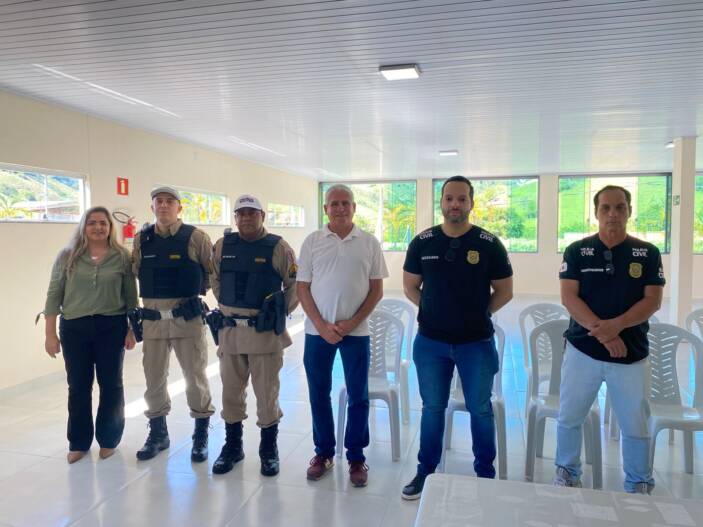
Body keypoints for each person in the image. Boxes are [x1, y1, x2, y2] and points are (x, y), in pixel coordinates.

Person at [400, 175, 513, 500]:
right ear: (441, 202)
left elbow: (505, 291)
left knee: (480, 408)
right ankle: (426, 471)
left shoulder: (488, 243)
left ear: (471, 203)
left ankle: (485, 475)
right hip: (430, 343)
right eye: (449, 198)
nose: (455, 204)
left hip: (476, 343)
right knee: (432, 407)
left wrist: (479, 312)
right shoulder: (423, 242)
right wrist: (432, 309)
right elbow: (410, 285)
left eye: (462, 199)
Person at [554, 185, 665, 494]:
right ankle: (567, 473)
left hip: (630, 354)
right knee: (570, 416)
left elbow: (652, 301)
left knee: (634, 422)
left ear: (629, 211)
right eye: (606, 208)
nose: (613, 214)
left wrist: (615, 326)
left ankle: (639, 481)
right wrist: (603, 333)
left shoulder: (647, 253)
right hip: (583, 350)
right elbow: (569, 297)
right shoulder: (577, 251)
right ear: (596, 212)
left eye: (620, 207)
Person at [296, 184, 388, 487]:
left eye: (345, 203)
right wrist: (322, 325)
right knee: (318, 393)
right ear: (326, 209)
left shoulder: (369, 243)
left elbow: (376, 290)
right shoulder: (312, 242)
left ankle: (356, 457)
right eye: (334, 203)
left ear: (354, 207)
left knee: (358, 395)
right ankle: (323, 453)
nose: (340, 208)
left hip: (356, 333)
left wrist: (352, 323)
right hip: (317, 332)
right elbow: (302, 288)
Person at [209, 194, 299, 476]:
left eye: (252, 212)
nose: (246, 218)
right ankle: (233, 447)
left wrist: (278, 312)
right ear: (235, 218)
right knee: (230, 393)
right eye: (241, 213)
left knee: (266, 394)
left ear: (262, 216)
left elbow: (294, 284)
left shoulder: (279, 247)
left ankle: (268, 450)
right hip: (230, 333)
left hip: (264, 334)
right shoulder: (222, 246)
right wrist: (228, 305)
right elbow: (215, 279)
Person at [43, 206, 137, 464]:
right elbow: (53, 295)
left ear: (110, 227)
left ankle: (109, 439)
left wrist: (132, 329)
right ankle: (79, 442)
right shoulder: (68, 256)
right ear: (84, 227)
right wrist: (50, 334)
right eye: (92, 222)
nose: (98, 227)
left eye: (103, 223)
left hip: (112, 326)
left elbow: (131, 297)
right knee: (78, 386)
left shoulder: (122, 256)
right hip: (75, 328)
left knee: (111, 384)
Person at [131, 186, 215, 462]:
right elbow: (135, 273)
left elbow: (212, 273)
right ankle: (158, 434)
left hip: (186, 319)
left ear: (179, 207)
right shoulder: (141, 239)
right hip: (153, 321)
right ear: (152, 207)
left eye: (170, 201)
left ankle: (200, 435)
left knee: (195, 378)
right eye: (159, 201)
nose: (164, 205)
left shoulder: (196, 237)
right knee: (153, 379)